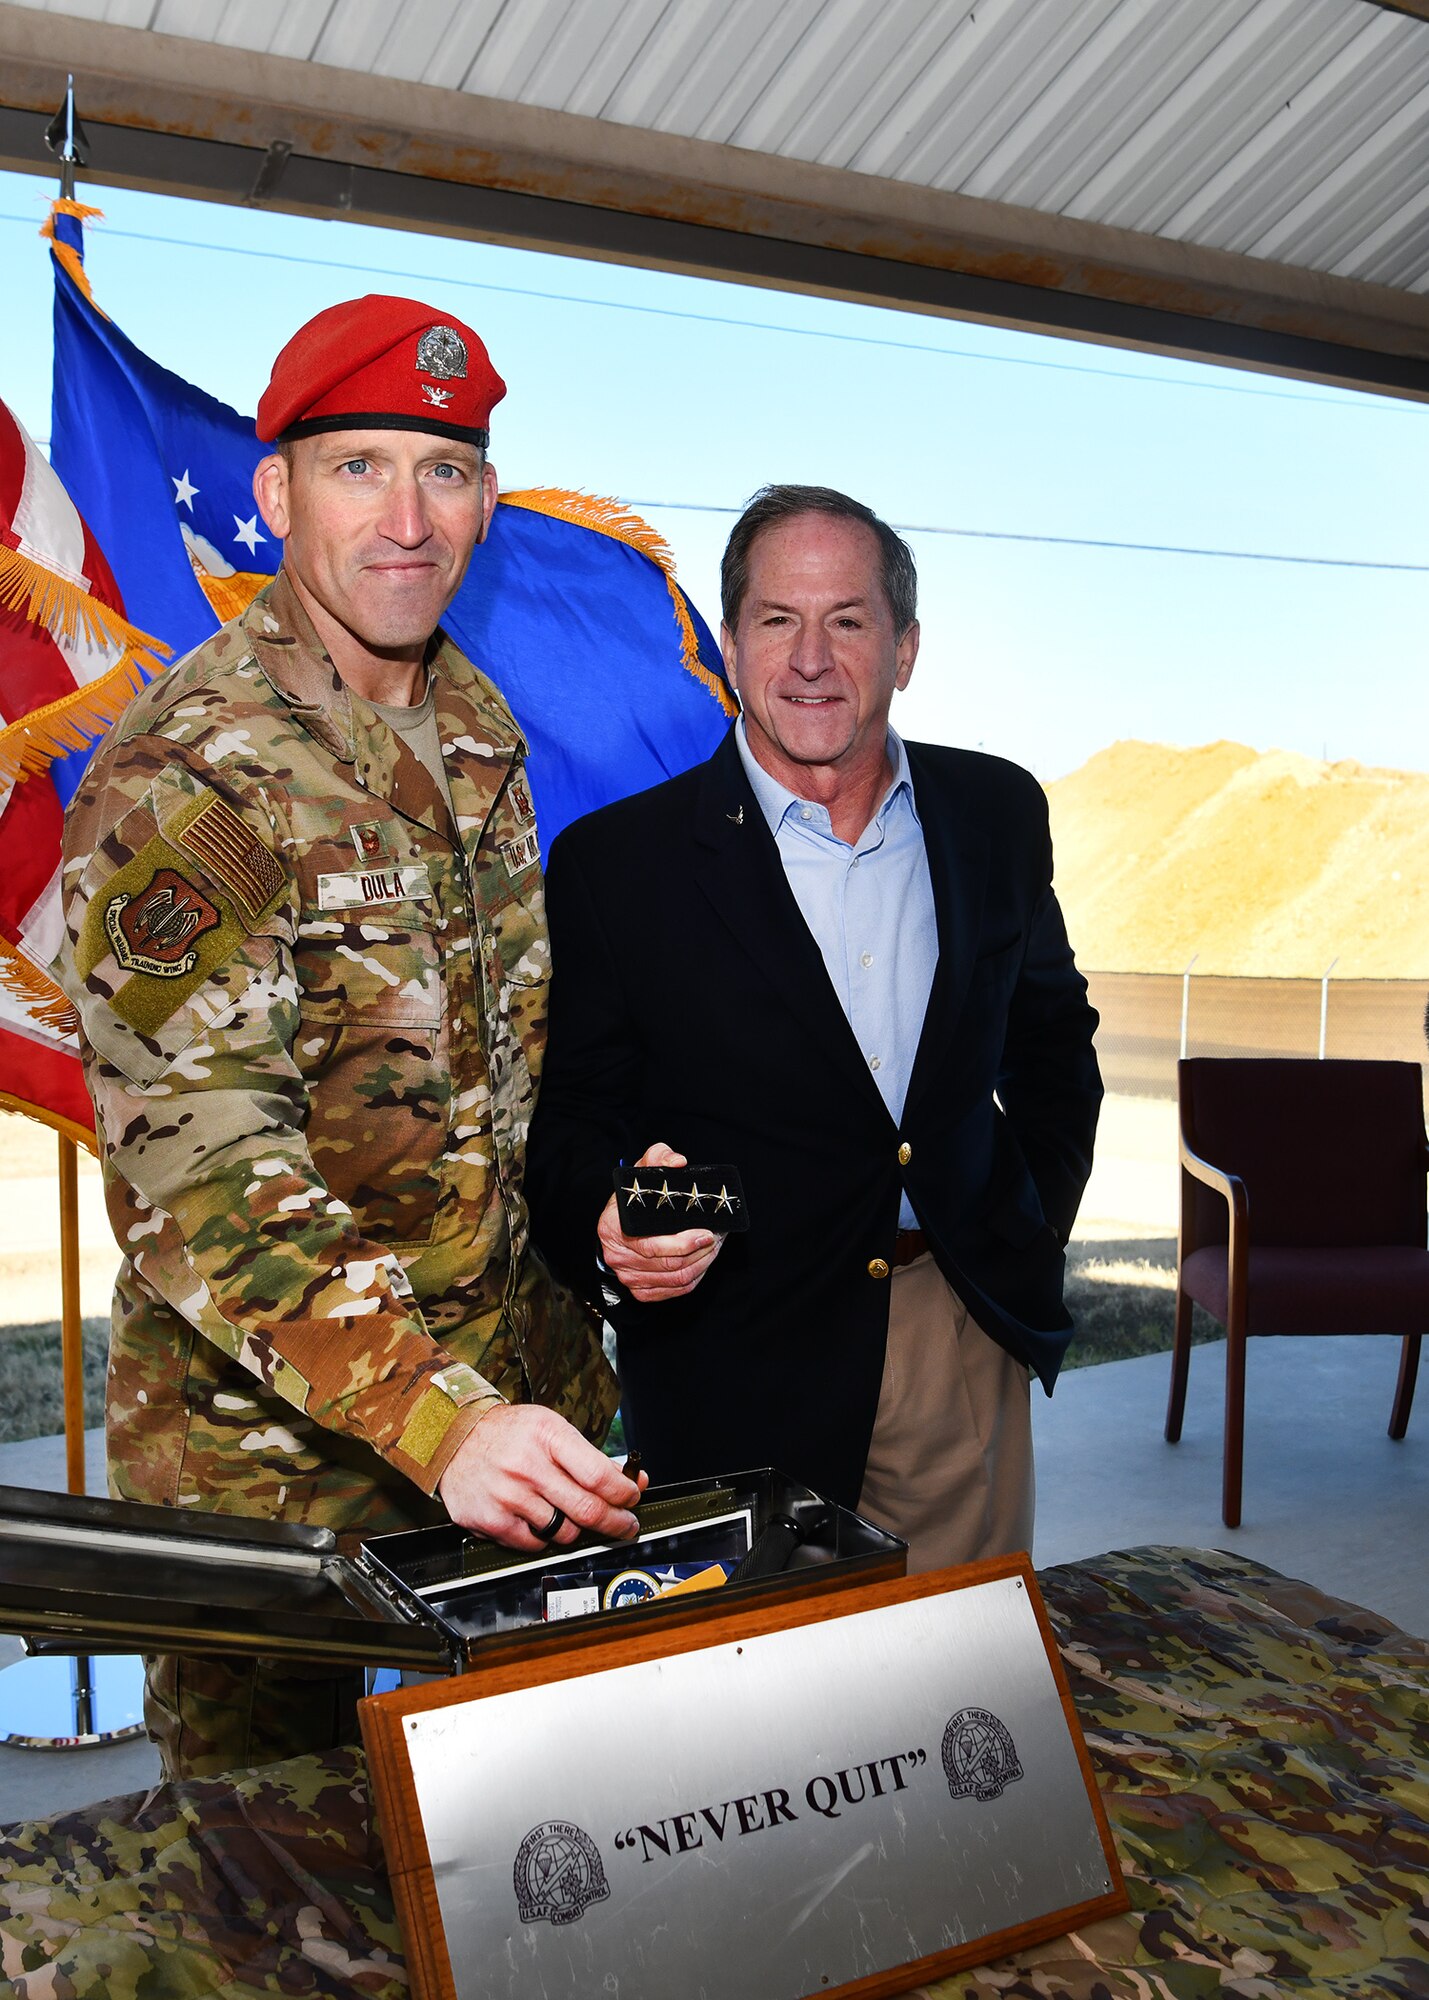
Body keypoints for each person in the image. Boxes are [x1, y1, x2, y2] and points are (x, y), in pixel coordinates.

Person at [54, 296, 641, 1777]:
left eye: (444, 471)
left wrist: (611, 1194)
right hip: (278, 1468)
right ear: (275, 493)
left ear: (488, 504)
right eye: (360, 466)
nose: (407, 517)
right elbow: (202, 1181)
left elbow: (505, 1072)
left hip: (513, 1419)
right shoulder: (193, 770)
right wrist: (439, 1425)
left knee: (538, 1851)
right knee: (270, 1891)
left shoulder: (476, 728)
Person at [526, 484, 1102, 1573]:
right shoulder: (620, 865)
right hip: (728, 1354)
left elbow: (1052, 1050)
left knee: (959, 1702)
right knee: (747, 1720)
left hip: (950, 1337)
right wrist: (624, 1222)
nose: (809, 659)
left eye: (846, 620)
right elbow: (569, 1135)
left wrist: (1018, 1225)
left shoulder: (996, 816)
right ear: (731, 648)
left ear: (905, 647)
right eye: (775, 621)